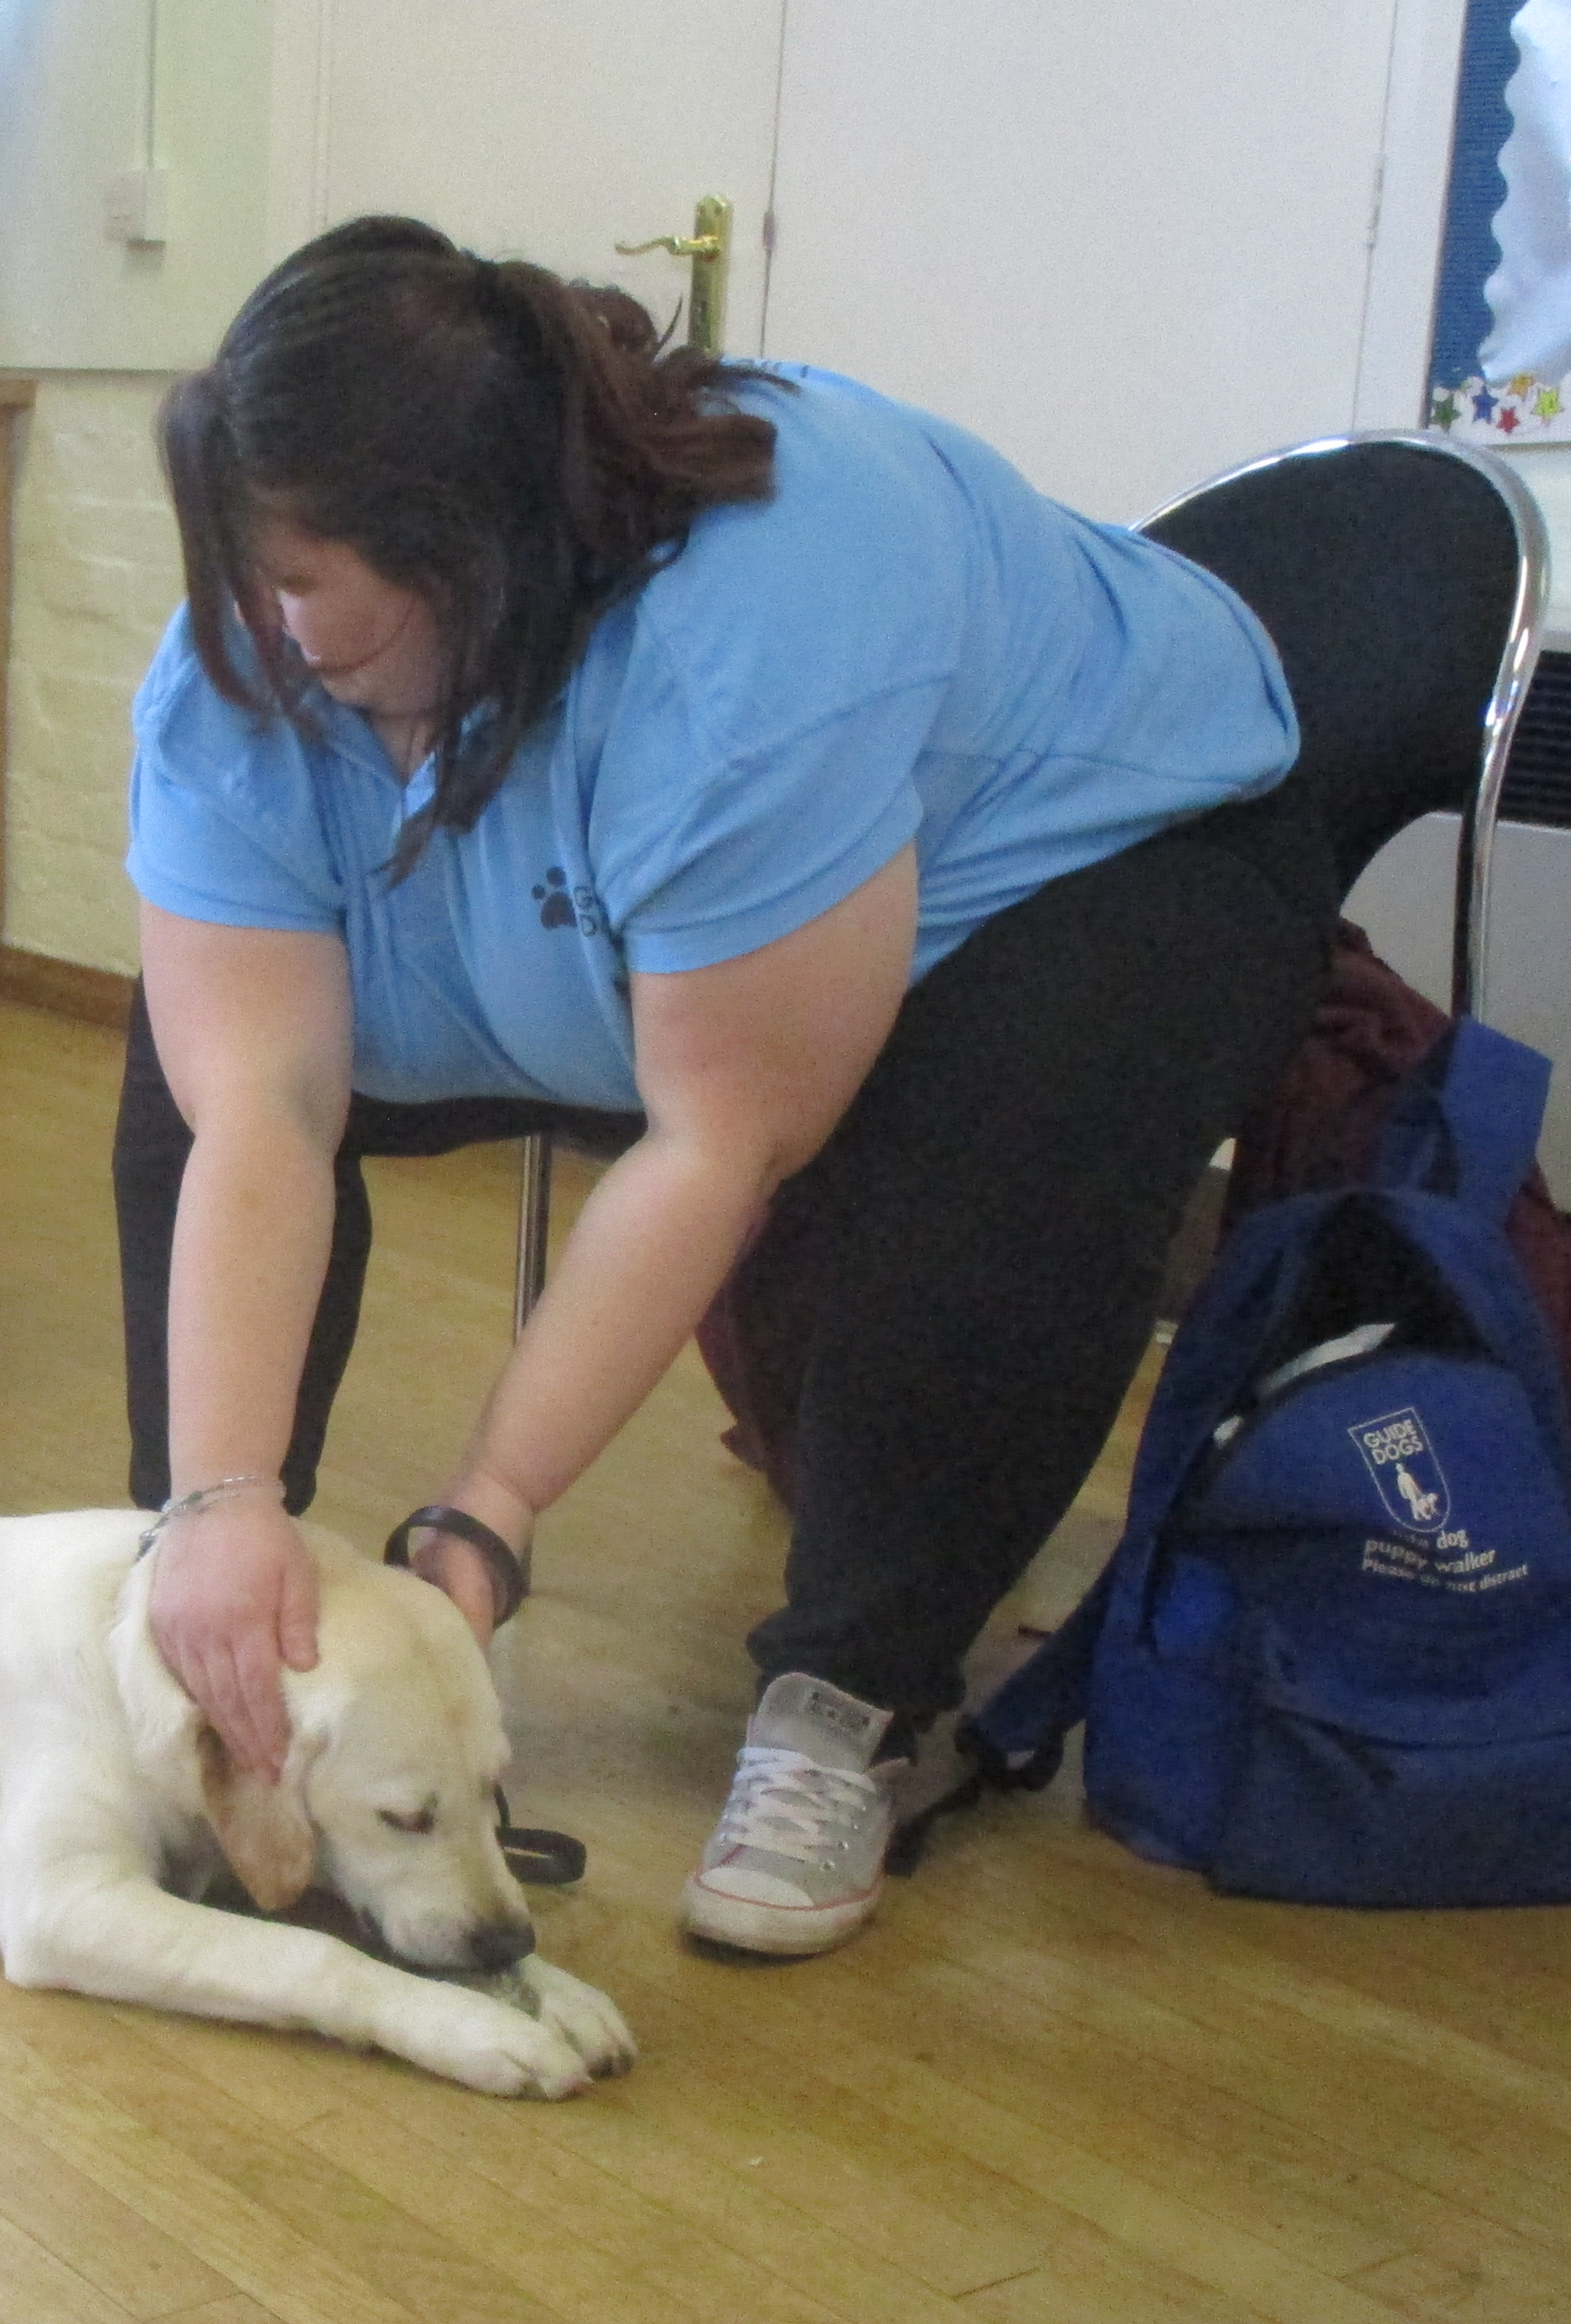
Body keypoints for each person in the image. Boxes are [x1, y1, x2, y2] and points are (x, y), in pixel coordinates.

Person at [119, 217, 1335, 1958]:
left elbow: (716, 1138)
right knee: (193, 1082)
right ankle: (205, 1631)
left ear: (464, 558)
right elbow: (258, 1110)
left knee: (991, 1150)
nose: (254, 619)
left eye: (302, 583)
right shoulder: (247, 665)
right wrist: (219, 1505)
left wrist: (483, 1517)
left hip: (1106, 845)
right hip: (601, 877)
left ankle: (859, 1700)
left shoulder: (752, 636)